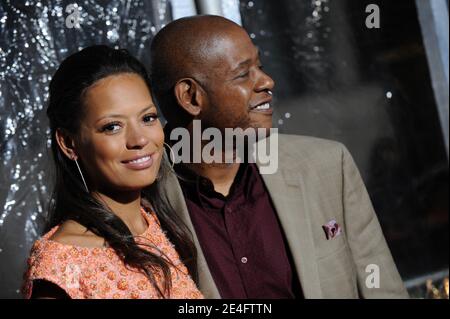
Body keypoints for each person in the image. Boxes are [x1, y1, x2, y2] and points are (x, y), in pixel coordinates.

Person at [149, 15, 409, 298]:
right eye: (243, 73)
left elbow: (382, 289)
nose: (267, 81)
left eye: (259, 67)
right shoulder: (141, 199)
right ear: (191, 97)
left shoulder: (328, 166)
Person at [22, 45, 203, 299]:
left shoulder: (160, 221)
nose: (139, 139)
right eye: (112, 127)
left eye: (148, 118)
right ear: (69, 143)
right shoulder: (59, 263)